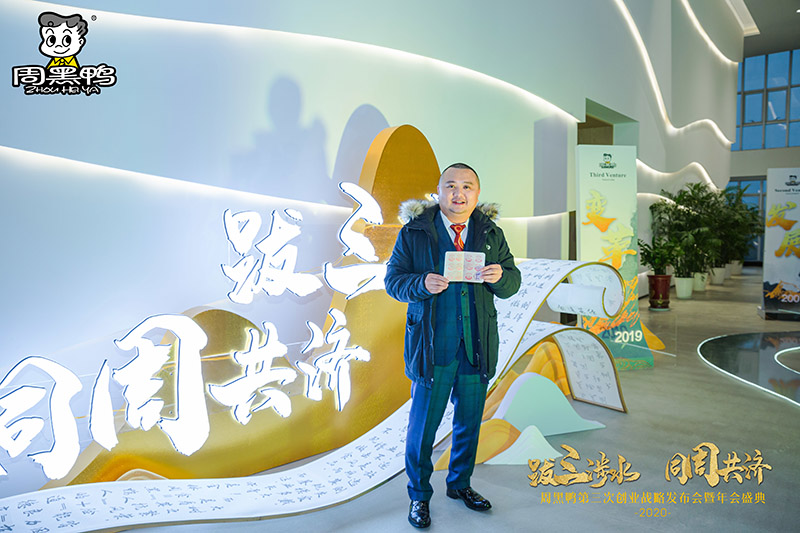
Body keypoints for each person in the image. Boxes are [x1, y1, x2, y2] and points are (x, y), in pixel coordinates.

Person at [384, 163, 521, 528]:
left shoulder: (490, 233)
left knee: (469, 423)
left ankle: (460, 484)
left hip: (476, 346)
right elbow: (393, 281)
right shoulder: (415, 232)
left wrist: (500, 277)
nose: (459, 193)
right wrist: (421, 284)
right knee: (423, 428)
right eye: (451, 186)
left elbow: (513, 282)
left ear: (477, 193)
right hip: (433, 347)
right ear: (439, 191)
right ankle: (419, 495)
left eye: (467, 187)